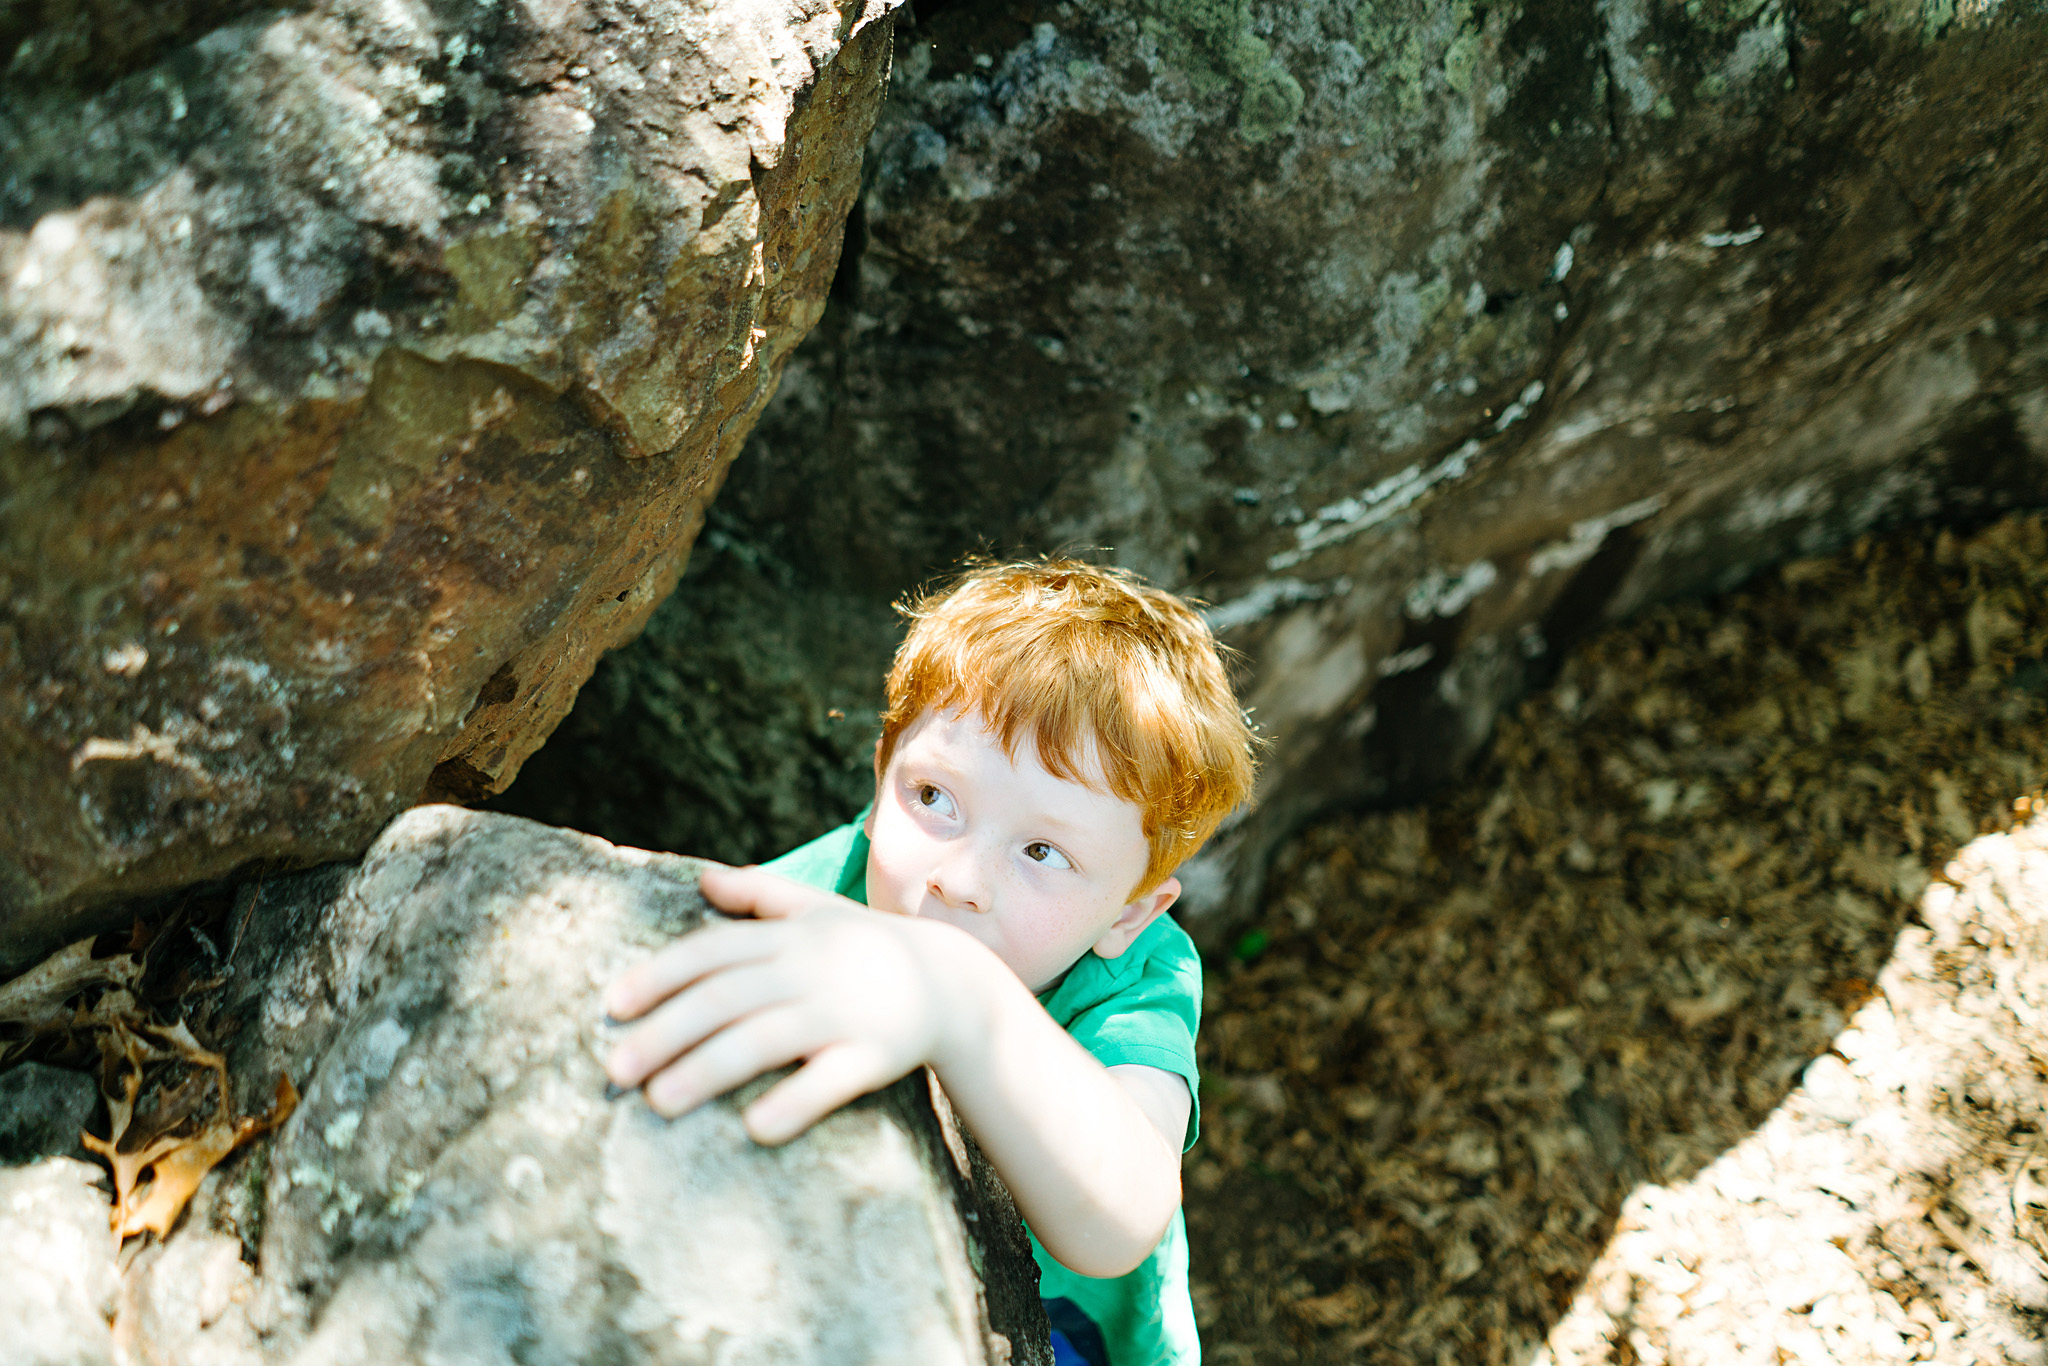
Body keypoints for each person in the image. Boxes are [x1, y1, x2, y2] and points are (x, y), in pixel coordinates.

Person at [602, 558, 1259, 1366]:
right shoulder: (832, 887)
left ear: (1129, 912)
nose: (961, 880)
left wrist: (963, 1001)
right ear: (881, 781)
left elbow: (1119, 1219)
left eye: (1043, 850)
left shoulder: (1137, 982)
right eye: (935, 798)